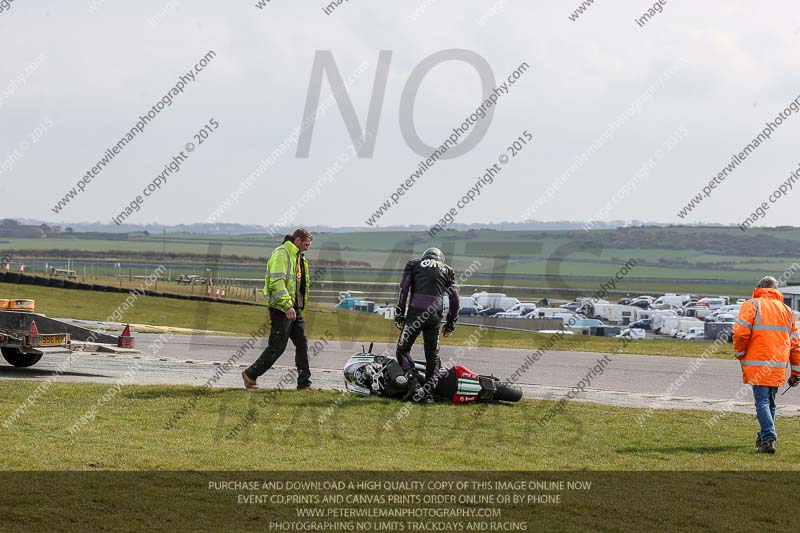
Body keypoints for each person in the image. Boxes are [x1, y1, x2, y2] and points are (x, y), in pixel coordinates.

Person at [732, 276, 800, 454]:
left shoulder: (752, 305)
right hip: (778, 365)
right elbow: (795, 345)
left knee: (762, 402)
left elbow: (740, 333)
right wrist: (796, 372)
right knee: (770, 402)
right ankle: (763, 438)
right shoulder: (788, 310)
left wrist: (740, 352)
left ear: (760, 287)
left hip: (759, 362)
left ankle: (769, 438)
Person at [242, 228, 313, 390]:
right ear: (297, 241)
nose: (308, 248)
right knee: (277, 346)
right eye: (306, 244)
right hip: (282, 308)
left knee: (302, 343)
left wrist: (296, 305)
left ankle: (304, 383)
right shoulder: (282, 254)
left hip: (296, 308)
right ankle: (251, 373)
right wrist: (287, 304)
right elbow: (277, 282)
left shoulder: (299, 257)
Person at [394, 247, 459, 403]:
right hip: (435, 317)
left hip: (415, 314)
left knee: (402, 350)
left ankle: (414, 385)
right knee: (432, 356)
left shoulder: (414, 264)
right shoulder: (448, 270)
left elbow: (403, 289)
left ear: (425, 256)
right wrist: (451, 322)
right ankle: (428, 394)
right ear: (440, 259)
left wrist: (399, 312)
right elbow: (455, 298)